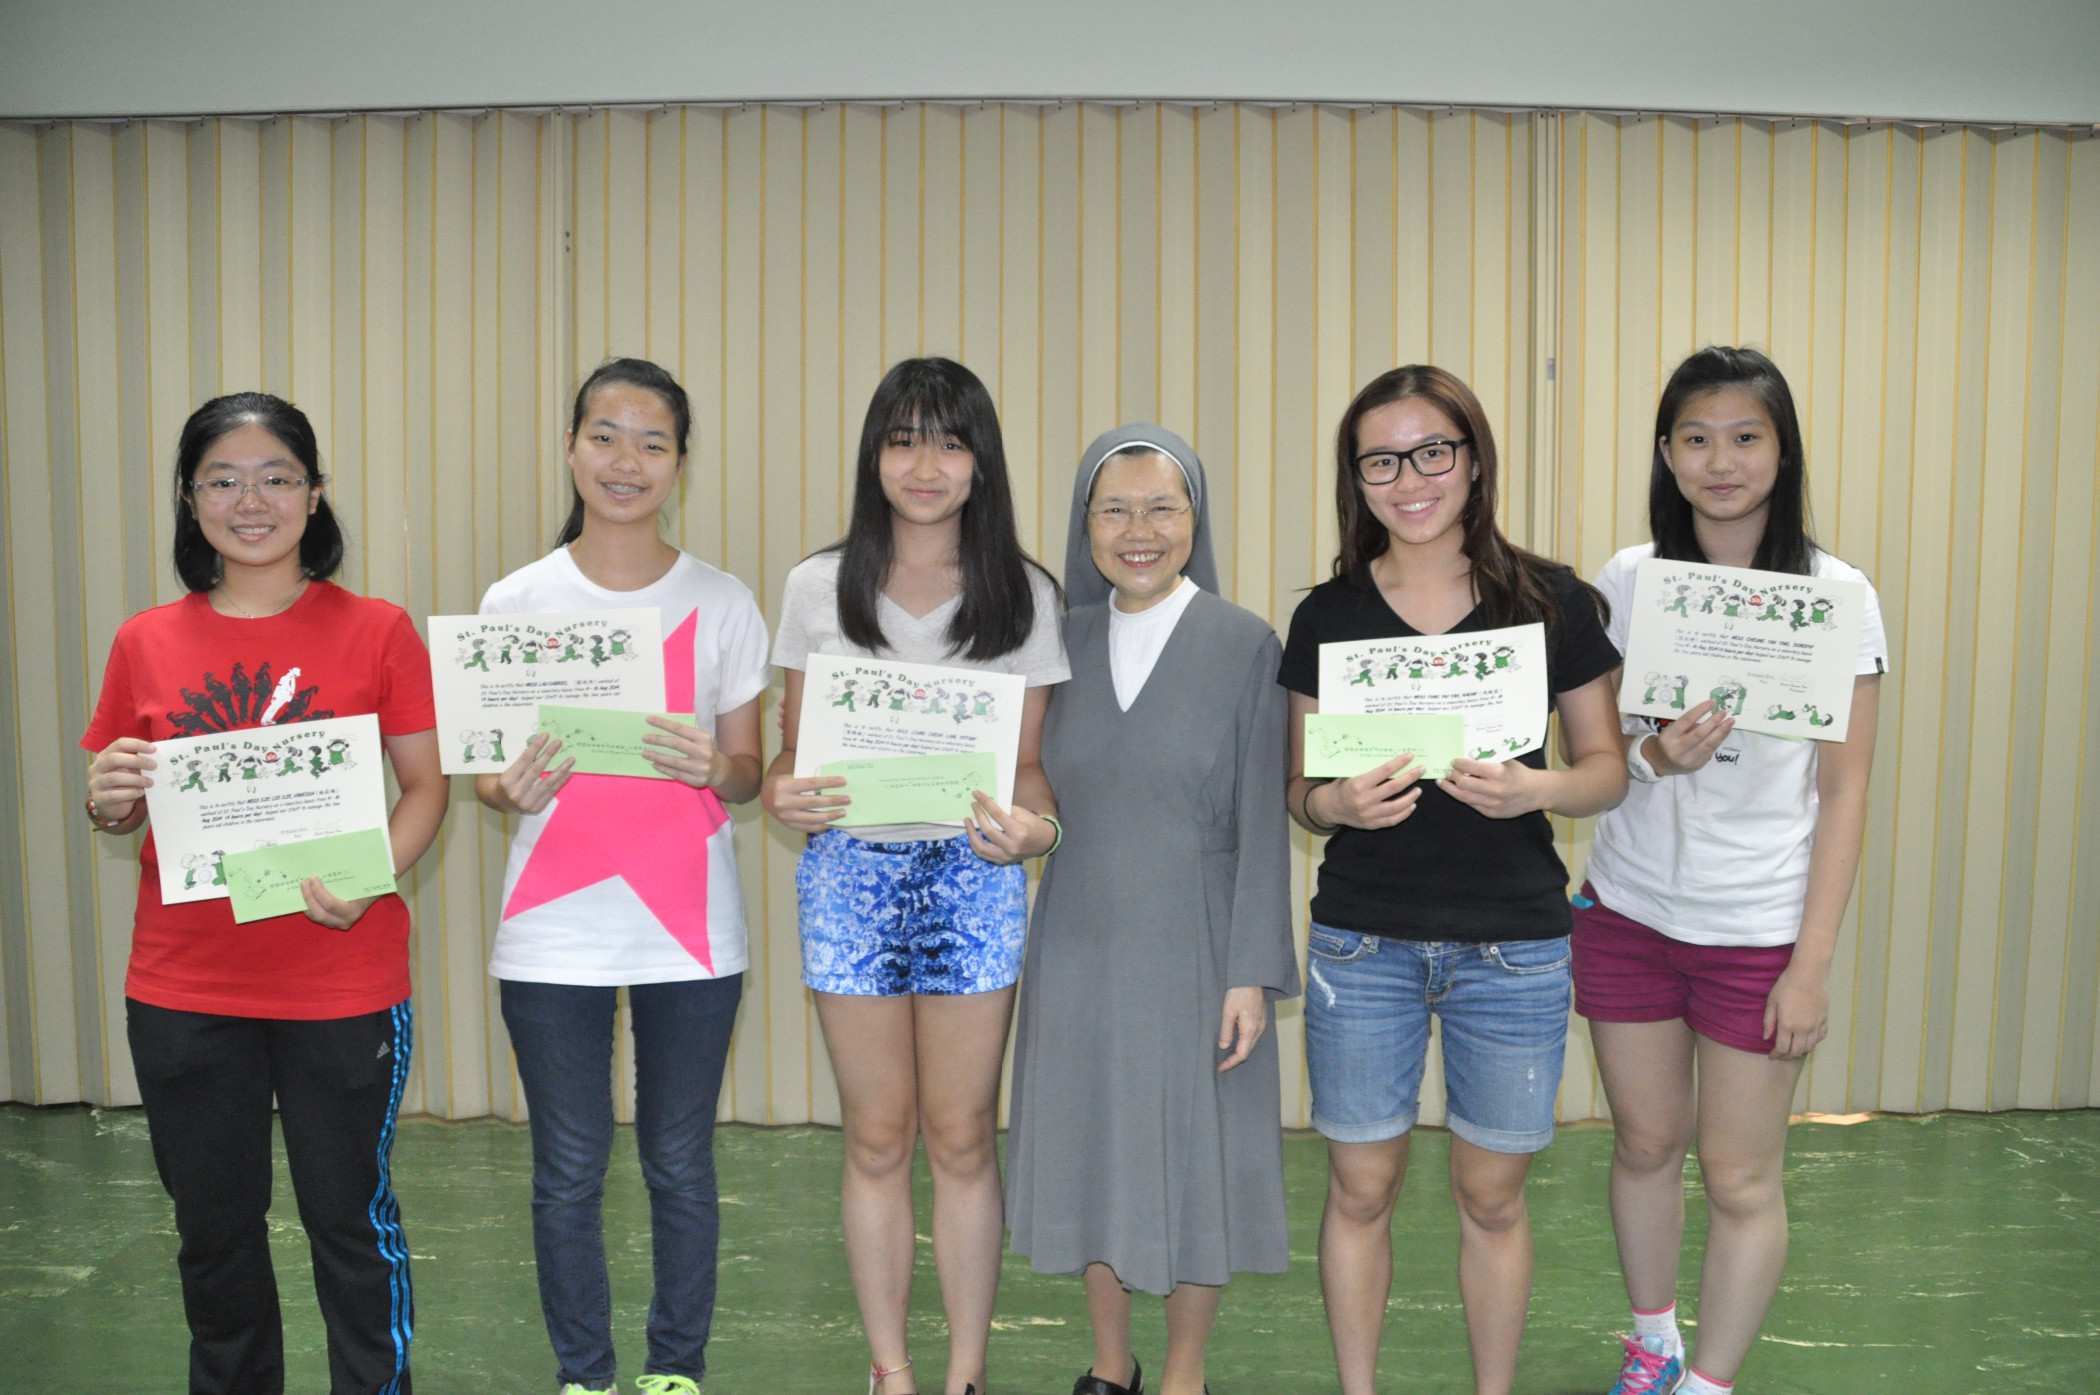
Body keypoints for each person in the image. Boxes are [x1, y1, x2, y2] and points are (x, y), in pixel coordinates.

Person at [81, 392, 447, 1395]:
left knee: (350, 1222)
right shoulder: (145, 640)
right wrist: (107, 799)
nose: (252, 501)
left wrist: (367, 878)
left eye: (277, 477)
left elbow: (426, 788)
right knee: (215, 1234)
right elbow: (120, 805)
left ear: (315, 494)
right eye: (223, 480)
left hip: (342, 980)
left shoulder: (377, 630)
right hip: (185, 987)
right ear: (189, 497)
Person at [1278, 365, 1627, 1395]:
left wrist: (1538, 789)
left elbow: (1606, 770)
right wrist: (1334, 807)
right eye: (1381, 462)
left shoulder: (1551, 600)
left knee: (1492, 1197)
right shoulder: (1329, 614)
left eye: (1434, 451)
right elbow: (1299, 789)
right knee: (1359, 1188)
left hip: (1513, 946)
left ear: (1474, 460)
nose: (1411, 480)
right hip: (1363, 941)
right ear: (1355, 480)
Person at [1575, 346, 1885, 1395]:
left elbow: (1844, 790)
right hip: (1629, 913)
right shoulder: (1629, 579)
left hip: (1759, 930)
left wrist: (1811, 963)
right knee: (1644, 1145)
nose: (1722, 461)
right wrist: (1656, 755)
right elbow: (1596, 751)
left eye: (1746, 437)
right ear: (1666, 453)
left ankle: (1709, 1383)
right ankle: (1653, 1346)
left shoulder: (1836, 595)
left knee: (1742, 1174)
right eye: (1697, 438)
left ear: (1782, 450)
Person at [761, 357, 1068, 1395]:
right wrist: (783, 792)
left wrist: (1036, 832)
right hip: (849, 876)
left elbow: (1031, 770)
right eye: (902, 440)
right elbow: (791, 753)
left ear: (981, 460)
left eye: (948, 441)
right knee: (877, 1136)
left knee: (964, 1136)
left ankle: (965, 1374)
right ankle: (890, 1370)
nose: (924, 465)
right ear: (874, 456)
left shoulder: (1026, 594)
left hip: (974, 877)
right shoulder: (817, 585)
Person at [475, 358, 769, 1395]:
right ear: (571, 448)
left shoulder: (723, 601)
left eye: (652, 442)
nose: (625, 461)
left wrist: (717, 767)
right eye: (605, 436)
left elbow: (749, 769)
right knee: (567, 1168)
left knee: (679, 1161)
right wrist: (507, 787)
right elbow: (487, 775)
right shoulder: (515, 600)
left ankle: (675, 1369)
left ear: (681, 462)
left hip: (691, 929)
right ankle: (585, 1375)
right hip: (551, 934)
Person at [1006, 426, 1299, 1395]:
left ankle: (1182, 1374)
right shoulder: (1057, 644)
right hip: (1078, 938)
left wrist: (1251, 972)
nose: (1140, 530)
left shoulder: (1244, 642)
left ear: (1194, 520)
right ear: (1084, 523)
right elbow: (1025, 782)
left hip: (1200, 945)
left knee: (1194, 1159)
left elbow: (1263, 820)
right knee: (1090, 1147)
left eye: (1162, 507)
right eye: (1116, 509)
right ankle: (1109, 1365)